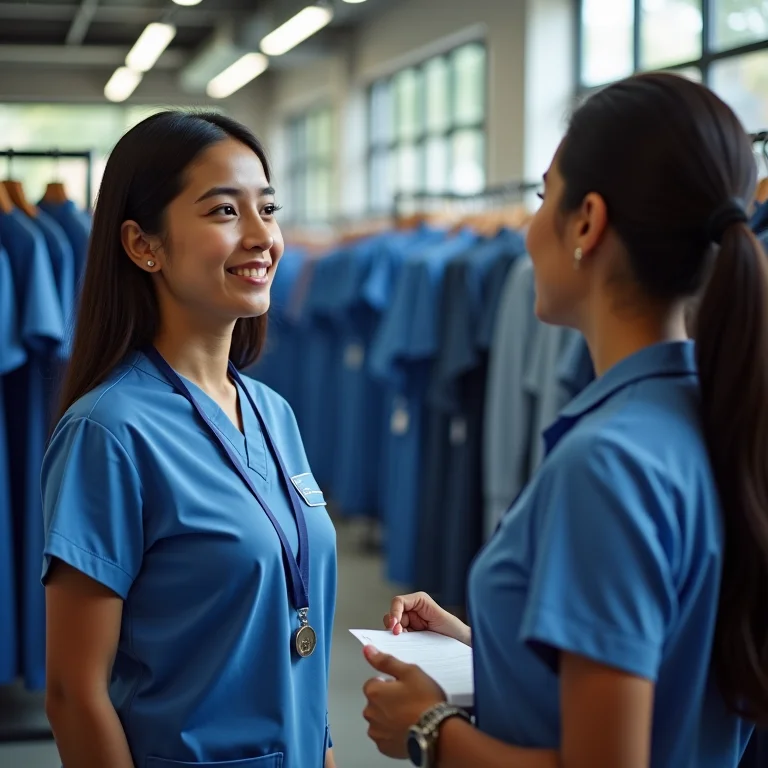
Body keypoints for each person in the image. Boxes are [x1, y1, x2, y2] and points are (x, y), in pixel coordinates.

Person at [361, 73, 768, 767]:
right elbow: (664, 678)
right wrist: (482, 639)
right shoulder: (710, 416)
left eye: (544, 195)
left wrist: (430, 730)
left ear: (586, 223)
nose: (524, 231)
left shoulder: (610, 461)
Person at [41, 111, 338, 768]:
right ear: (144, 245)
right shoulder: (108, 433)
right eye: (225, 211)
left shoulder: (272, 413)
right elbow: (72, 692)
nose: (262, 236)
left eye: (268, 208)